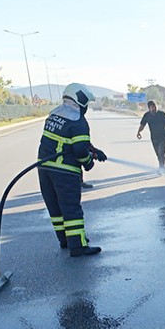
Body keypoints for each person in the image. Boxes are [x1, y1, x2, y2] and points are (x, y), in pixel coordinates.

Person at [37, 83, 106, 257]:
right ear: (80, 100)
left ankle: (65, 240)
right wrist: (89, 161)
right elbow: (80, 150)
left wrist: (94, 150)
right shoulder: (79, 121)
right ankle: (77, 246)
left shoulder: (55, 114)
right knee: (71, 208)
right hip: (65, 171)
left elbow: (70, 141)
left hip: (45, 169)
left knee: (55, 208)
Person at [136, 100, 165, 172]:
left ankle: (162, 167)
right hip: (154, 137)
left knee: (161, 152)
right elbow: (142, 125)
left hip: (163, 136)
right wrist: (139, 132)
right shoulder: (147, 116)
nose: (154, 108)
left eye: (155, 107)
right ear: (149, 108)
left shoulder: (162, 114)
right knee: (158, 153)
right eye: (152, 107)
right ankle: (161, 165)